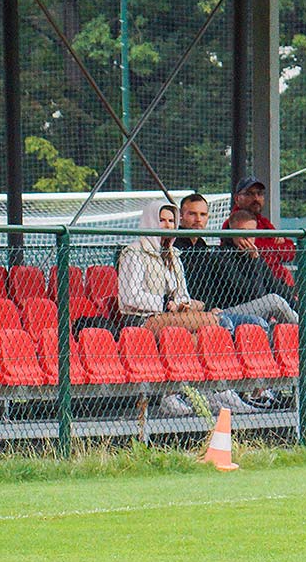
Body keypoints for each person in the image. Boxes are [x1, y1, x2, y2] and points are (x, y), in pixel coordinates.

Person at [118, 202, 219, 416]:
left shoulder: (174, 255)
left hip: (171, 316)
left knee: (197, 337)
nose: (167, 225)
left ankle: (179, 393)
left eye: (171, 221)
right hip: (140, 319)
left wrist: (181, 303)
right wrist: (164, 303)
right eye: (161, 220)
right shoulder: (134, 252)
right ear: (150, 221)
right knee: (212, 321)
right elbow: (129, 296)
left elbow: (182, 293)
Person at [231, 176, 296, 288]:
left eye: (259, 193)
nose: (256, 198)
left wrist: (270, 250)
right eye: (249, 194)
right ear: (237, 198)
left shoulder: (264, 222)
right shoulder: (233, 223)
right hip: (258, 284)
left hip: (277, 283)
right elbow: (262, 254)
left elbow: (290, 252)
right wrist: (276, 246)